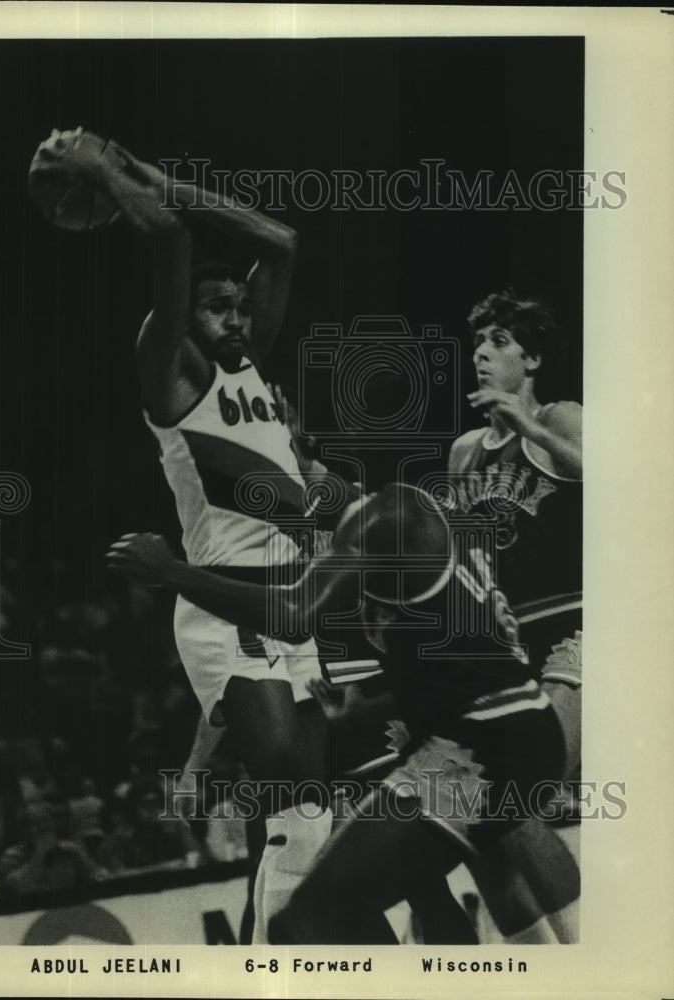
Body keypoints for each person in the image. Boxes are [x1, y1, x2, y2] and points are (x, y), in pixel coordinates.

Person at [35, 127, 331, 941]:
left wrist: (152, 172)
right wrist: (113, 176)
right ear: (182, 321)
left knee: (304, 820)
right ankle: (267, 969)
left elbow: (280, 239)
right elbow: (170, 237)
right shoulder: (169, 372)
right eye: (215, 307)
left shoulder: (249, 367)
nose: (235, 320)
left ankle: (281, 955)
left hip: (292, 604)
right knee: (294, 807)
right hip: (224, 602)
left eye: (241, 308)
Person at [107, 482, 568, 943]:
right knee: (361, 902)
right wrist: (366, 709)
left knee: (323, 913)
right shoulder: (392, 540)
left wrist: (171, 571)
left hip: (478, 740)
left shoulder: (381, 521)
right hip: (475, 730)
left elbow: (291, 615)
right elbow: (449, 659)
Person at [445, 290, 582, 942]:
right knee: (471, 809)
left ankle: (587, 955)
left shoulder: (563, 416)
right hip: (504, 644)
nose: (479, 353)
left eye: (496, 342)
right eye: (475, 344)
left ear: (528, 357)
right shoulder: (464, 451)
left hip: (576, 628)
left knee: (513, 795)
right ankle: (537, 967)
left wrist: (528, 428)